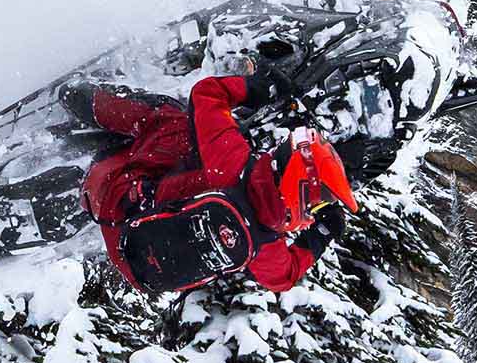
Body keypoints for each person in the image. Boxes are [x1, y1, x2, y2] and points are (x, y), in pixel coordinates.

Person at [76, 72, 358, 297]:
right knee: (187, 167)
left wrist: (257, 87)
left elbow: (206, 94)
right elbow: (284, 278)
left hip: (110, 192)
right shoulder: (266, 244)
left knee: (174, 120)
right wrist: (320, 235)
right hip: (136, 264)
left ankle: (89, 101)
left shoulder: (232, 165)